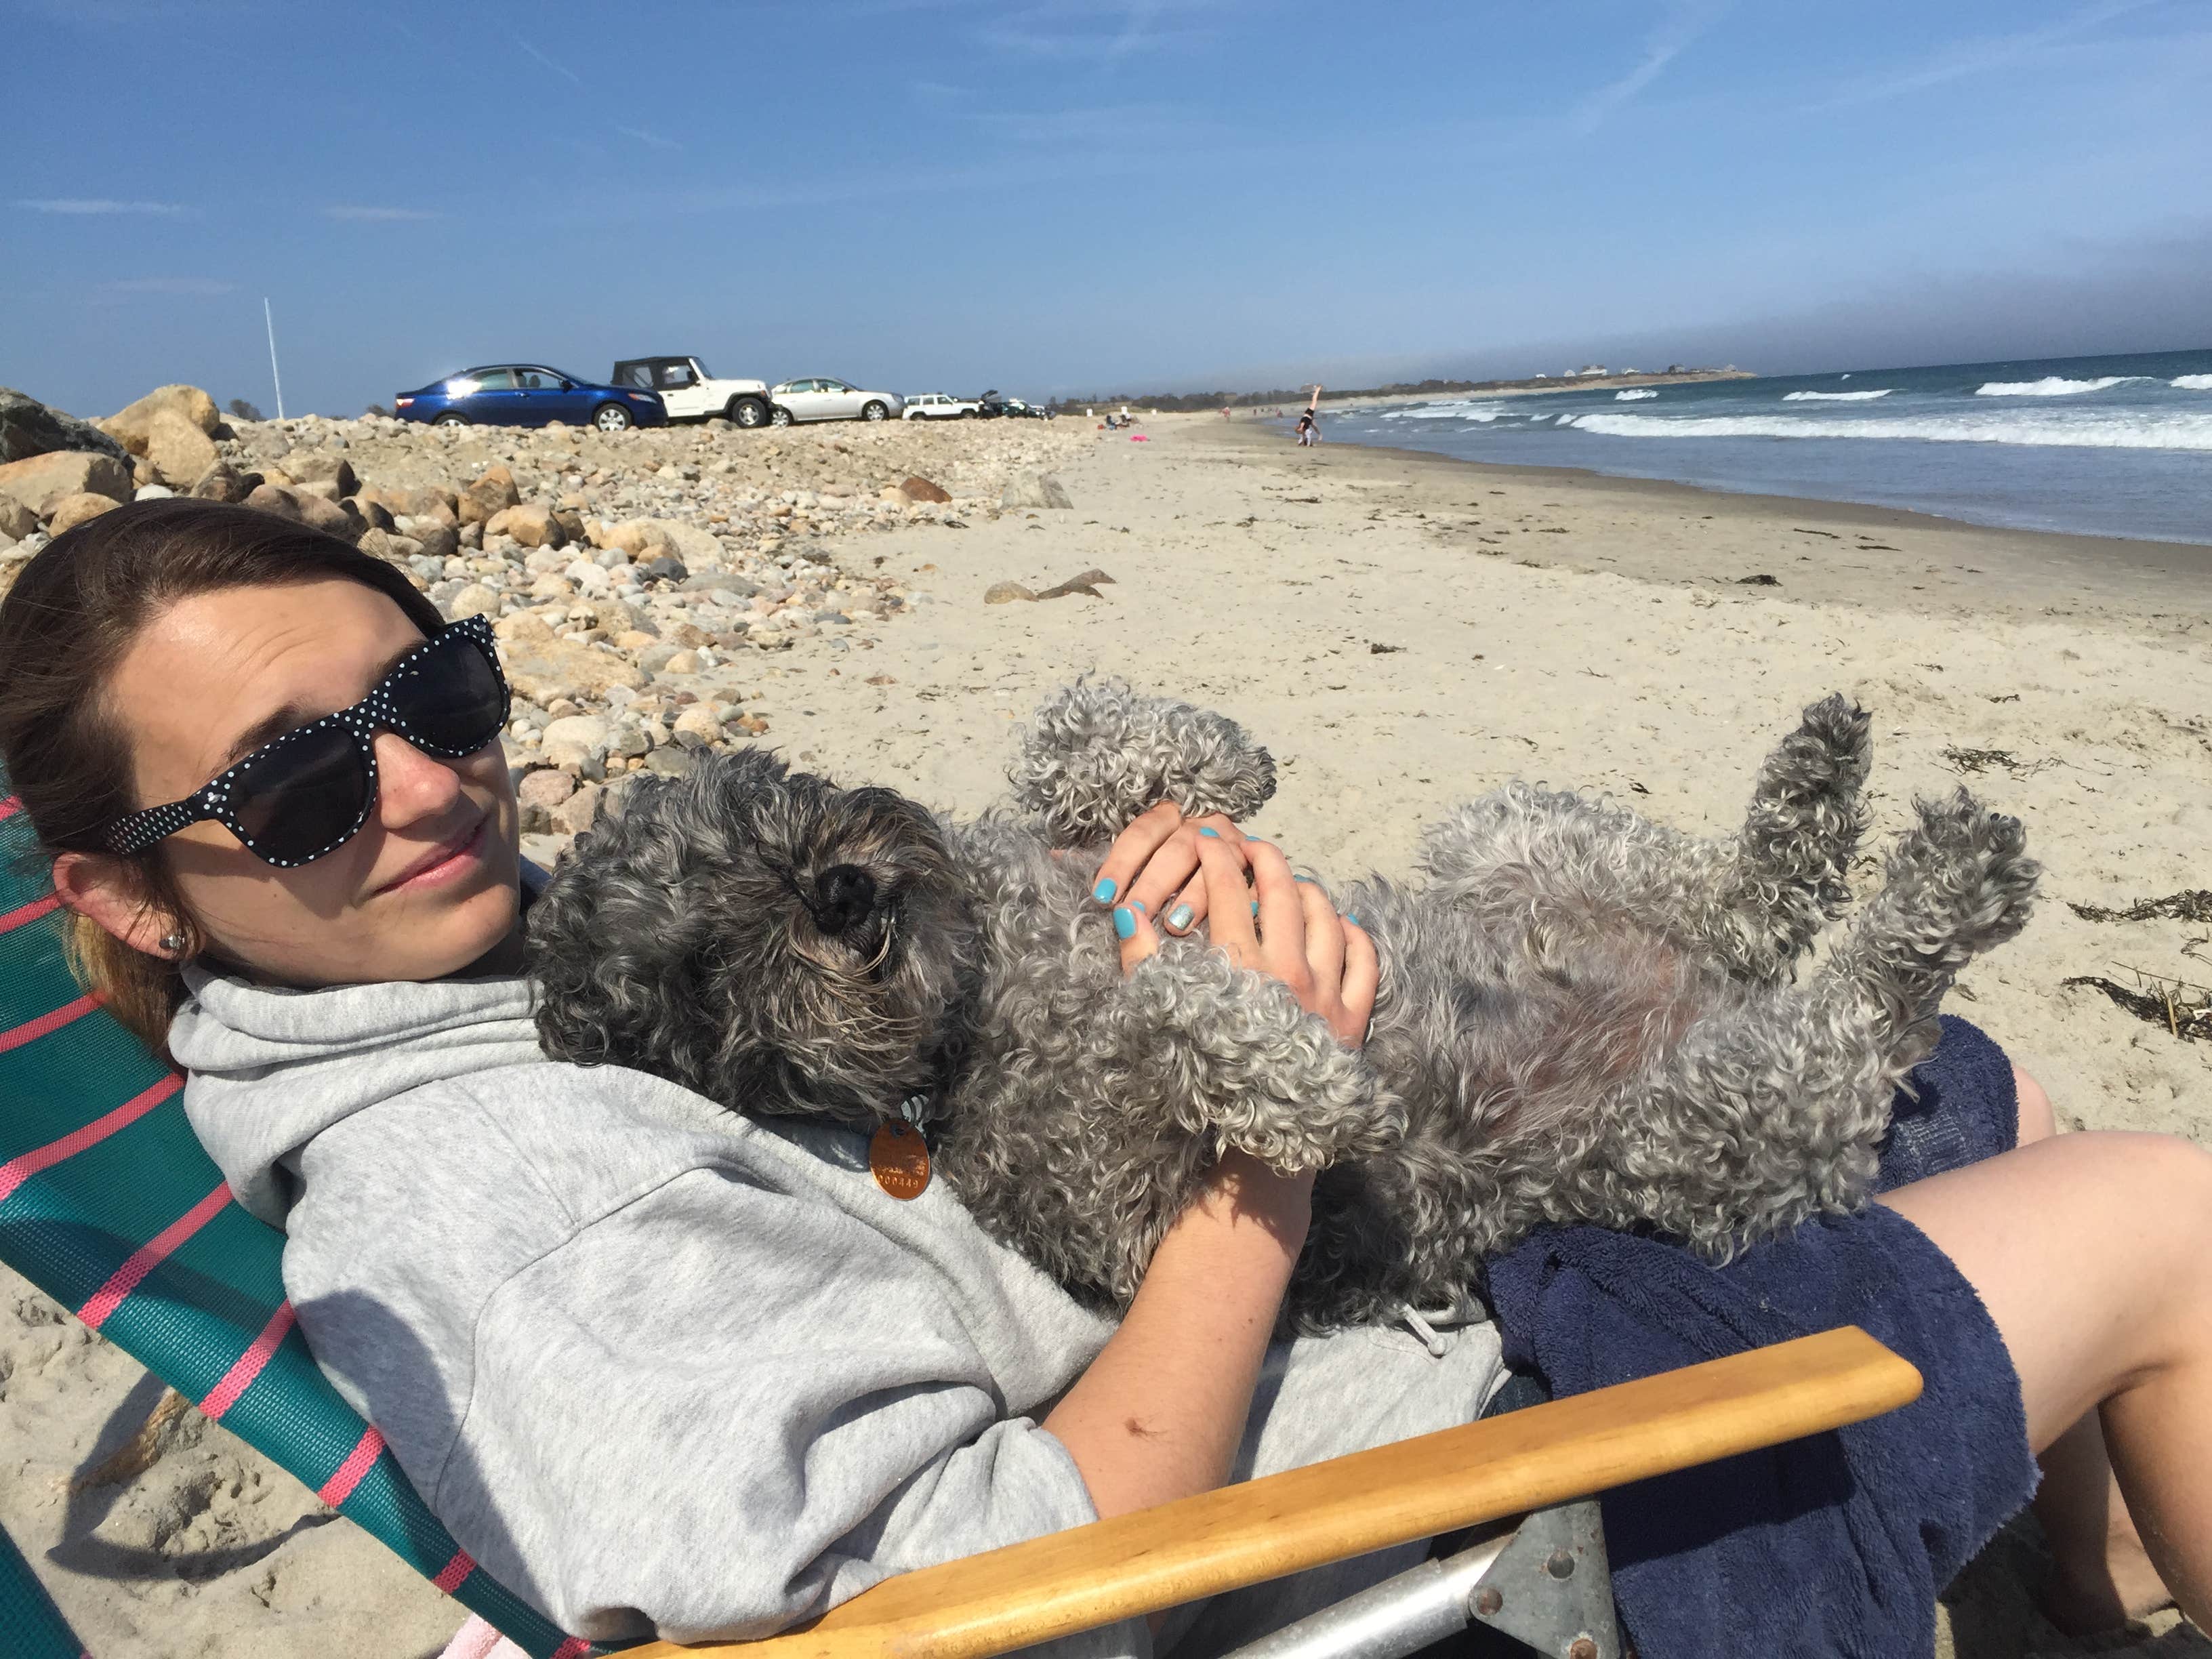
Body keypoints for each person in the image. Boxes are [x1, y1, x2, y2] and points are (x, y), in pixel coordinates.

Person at [4, 499, 2205, 1656]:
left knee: (1974, 1083)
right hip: (1471, 1486)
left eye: (439, 696)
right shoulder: (496, 1199)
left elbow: (896, 1023)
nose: (424, 789)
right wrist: (1264, 1143)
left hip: (1381, 1285)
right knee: (2171, 1219)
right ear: (129, 895)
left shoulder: (524, 968)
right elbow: (987, 1600)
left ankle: (2086, 1617)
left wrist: (1116, 887)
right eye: (296, 787)